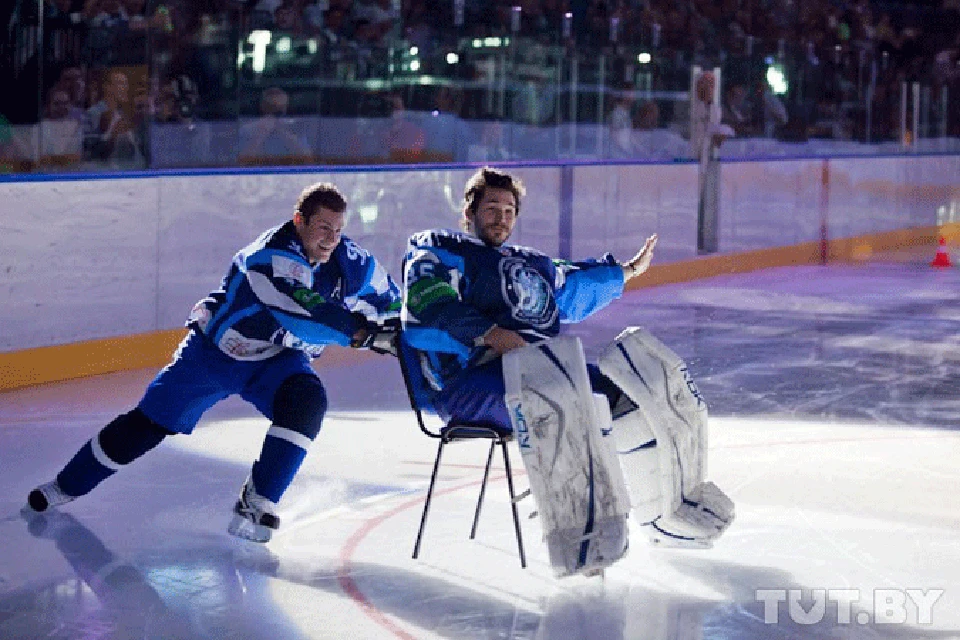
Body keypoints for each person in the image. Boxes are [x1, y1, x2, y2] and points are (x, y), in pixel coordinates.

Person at [26, 182, 402, 543]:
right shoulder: (268, 257)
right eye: (322, 228)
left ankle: (257, 502)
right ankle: (65, 486)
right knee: (146, 426)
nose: (331, 239)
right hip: (214, 355)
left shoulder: (348, 260)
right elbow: (303, 315)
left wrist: (407, 332)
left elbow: (390, 300)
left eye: (338, 230)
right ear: (299, 220)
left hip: (275, 360)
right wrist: (365, 335)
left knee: (307, 402)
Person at [400, 166, 657, 444]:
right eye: (492, 209)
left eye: (509, 212)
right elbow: (429, 306)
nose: (501, 219)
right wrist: (490, 333)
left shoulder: (529, 262)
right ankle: (573, 473)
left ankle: (638, 470)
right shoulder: (441, 250)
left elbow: (573, 285)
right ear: (469, 213)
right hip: (467, 383)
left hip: (535, 369)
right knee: (563, 402)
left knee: (623, 396)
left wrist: (630, 270)